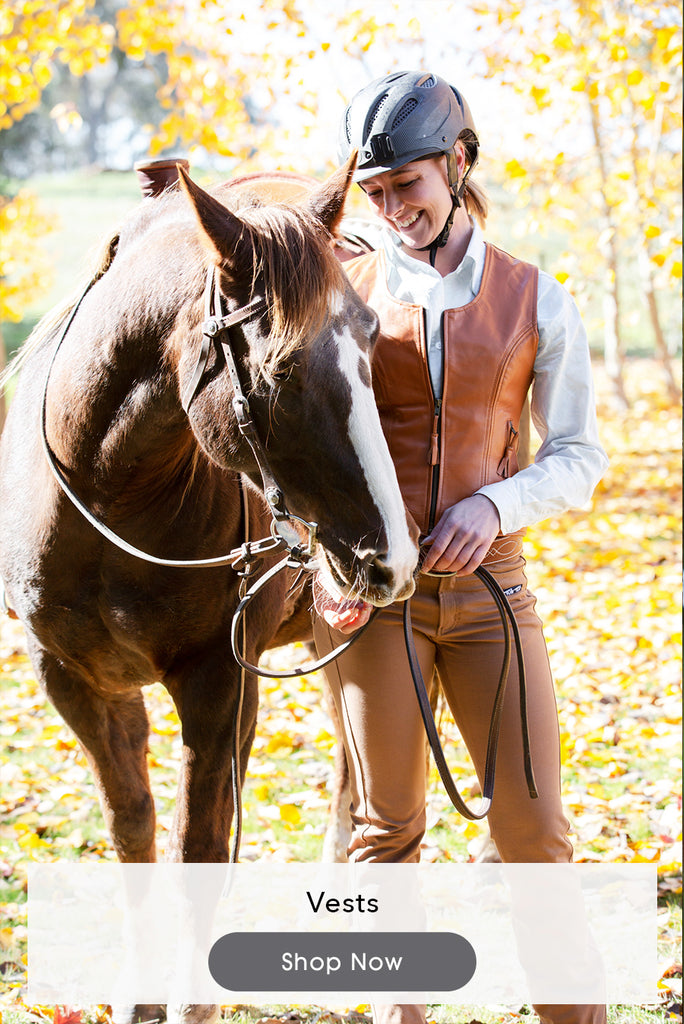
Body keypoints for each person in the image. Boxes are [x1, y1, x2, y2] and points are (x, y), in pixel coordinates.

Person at [312, 71, 609, 1024]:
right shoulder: (341, 300)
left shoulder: (535, 298)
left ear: (458, 164)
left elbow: (578, 457)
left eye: (409, 185)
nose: (394, 209)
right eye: (376, 191)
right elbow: (295, 452)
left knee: (533, 831)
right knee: (385, 834)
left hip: (493, 596)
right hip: (376, 608)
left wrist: (496, 503)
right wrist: (322, 559)